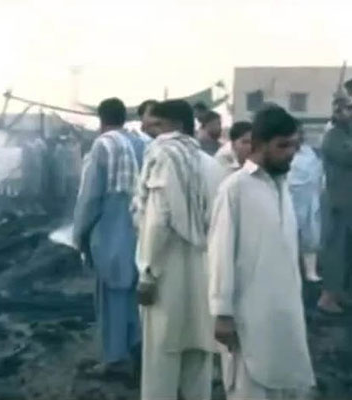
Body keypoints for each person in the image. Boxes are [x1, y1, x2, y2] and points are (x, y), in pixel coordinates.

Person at [208, 106, 315, 400]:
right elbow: (220, 254)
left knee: (285, 383)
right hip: (248, 315)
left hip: (284, 312)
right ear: (259, 144)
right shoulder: (235, 189)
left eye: (294, 146)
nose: (290, 153)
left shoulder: (282, 186)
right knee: (249, 386)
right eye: (282, 146)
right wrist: (222, 313)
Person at [133, 99, 223, 400]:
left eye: (158, 124)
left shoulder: (162, 157)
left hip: (167, 272)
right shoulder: (211, 164)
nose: (152, 131)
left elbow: (158, 222)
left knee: (161, 357)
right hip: (204, 270)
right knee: (199, 354)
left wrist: (147, 272)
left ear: (176, 126)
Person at [73, 97, 145, 373]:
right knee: (135, 291)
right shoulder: (142, 143)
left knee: (111, 293)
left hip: (112, 229)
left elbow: (90, 197)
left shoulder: (103, 145)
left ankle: (115, 358)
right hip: (141, 228)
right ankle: (137, 346)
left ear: (101, 120)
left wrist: (80, 234)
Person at [317, 95, 352, 314]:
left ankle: (341, 294)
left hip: (348, 205)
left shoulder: (346, 134)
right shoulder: (332, 136)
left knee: (347, 253)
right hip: (337, 204)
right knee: (335, 252)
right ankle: (327, 297)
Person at [288, 127, 324, 282]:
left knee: (311, 236)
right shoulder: (283, 154)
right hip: (290, 200)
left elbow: (318, 173)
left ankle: (311, 271)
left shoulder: (310, 153)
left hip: (310, 199)